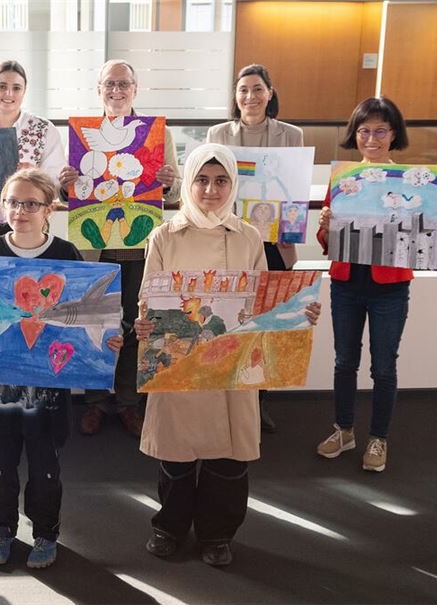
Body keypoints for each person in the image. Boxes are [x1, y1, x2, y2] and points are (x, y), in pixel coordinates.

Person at [134, 143, 320, 566]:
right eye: (201, 179)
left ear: (233, 185)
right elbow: (148, 300)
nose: (211, 190)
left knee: (230, 457)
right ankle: (170, 526)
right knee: (176, 456)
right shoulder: (164, 235)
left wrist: (298, 310)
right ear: (188, 183)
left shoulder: (249, 235)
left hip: (234, 360)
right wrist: (142, 323)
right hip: (177, 360)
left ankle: (218, 534)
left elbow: (262, 302)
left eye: (221, 181)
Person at [0, 168, 123, 568]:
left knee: (45, 467)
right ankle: (1, 530)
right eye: (13, 202)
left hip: (50, 393)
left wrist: (109, 338)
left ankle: (45, 533)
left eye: (31, 203)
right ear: (2, 206)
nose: (21, 210)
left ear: (49, 209)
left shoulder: (66, 255)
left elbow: (93, 317)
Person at [315, 97, 437, 472]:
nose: (371, 138)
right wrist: (326, 223)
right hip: (346, 282)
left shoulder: (415, 180)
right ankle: (344, 429)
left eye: (380, 131)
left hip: (390, 287)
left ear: (394, 134)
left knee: (384, 366)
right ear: (355, 135)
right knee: (344, 361)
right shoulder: (343, 177)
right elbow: (329, 244)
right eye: (364, 131)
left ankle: (378, 438)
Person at [58, 59, 181, 438]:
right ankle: (96, 402)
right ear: (99, 89)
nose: (116, 90)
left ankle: (128, 403)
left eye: (123, 83)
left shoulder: (158, 135)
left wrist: (168, 180)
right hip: (96, 248)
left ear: (135, 88)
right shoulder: (81, 134)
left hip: (141, 247)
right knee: (94, 324)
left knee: (135, 326)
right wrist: (66, 183)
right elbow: (67, 192)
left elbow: (175, 193)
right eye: (109, 84)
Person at [207, 63, 304, 433]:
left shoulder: (290, 135)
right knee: (228, 318)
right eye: (243, 89)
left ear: (270, 92)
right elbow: (206, 186)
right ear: (235, 95)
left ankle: (257, 400)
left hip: (275, 242)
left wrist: (289, 227)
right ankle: (222, 398)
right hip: (228, 238)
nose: (250, 96)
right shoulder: (218, 133)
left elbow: (294, 191)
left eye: (258, 89)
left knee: (265, 322)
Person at [0, 60, 66, 182]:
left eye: (16, 88)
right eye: (2, 86)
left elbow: (57, 182)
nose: (9, 93)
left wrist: (36, 174)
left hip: (31, 199)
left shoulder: (44, 129)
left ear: (24, 91)